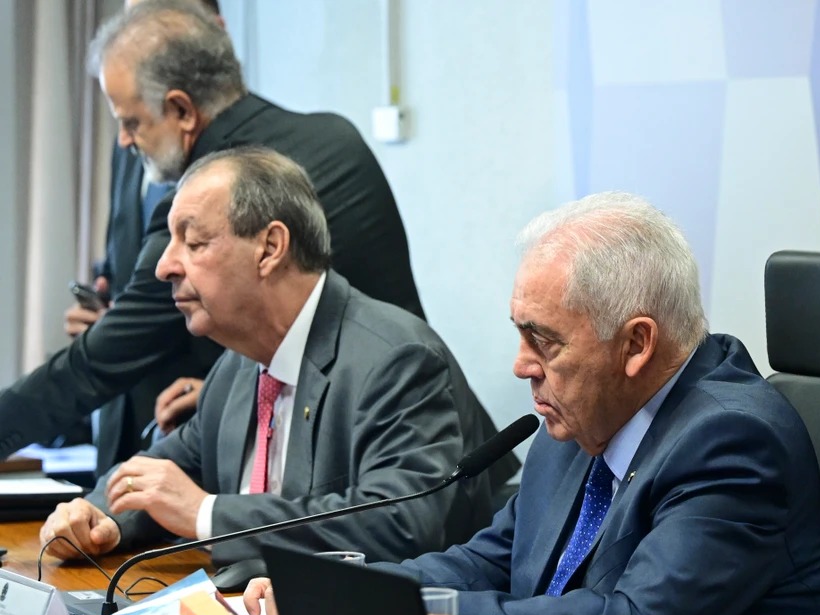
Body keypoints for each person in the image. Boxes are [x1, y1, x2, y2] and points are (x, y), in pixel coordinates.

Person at [248, 191, 820, 615]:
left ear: (636, 344)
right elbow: (488, 561)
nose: (521, 365)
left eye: (544, 340)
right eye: (519, 332)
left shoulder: (732, 441)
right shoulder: (586, 420)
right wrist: (342, 594)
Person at [0, 0, 505, 488]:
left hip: (379, 479)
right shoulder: (333, 137)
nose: (125, 141)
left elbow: (99, 363)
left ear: (181, 110)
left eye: (132, 122)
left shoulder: (214, 198)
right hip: (443, 447)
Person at [38, 147, 497, 568]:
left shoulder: (396, 360)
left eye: (193, 242)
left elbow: (400, 524)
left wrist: (206, 514)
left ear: (270, 248)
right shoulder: (238, 366)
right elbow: (162, 474)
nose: (164, 267)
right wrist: (96, 516)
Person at [62, 0, 223, 477]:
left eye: (148, 28)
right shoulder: (131, 143)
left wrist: (223, 393)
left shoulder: (252, 152)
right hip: (123, 418)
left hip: (195, 427)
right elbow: (123, 256)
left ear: (212, 31)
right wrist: (104, 305)